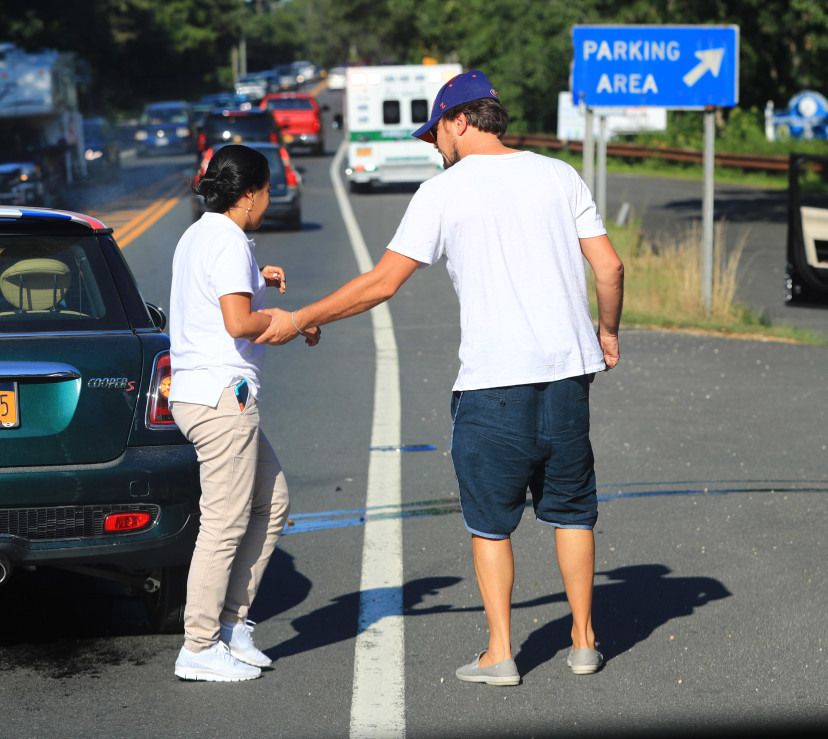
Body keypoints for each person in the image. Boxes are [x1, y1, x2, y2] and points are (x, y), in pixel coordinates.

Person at [256, 71, 624, 686]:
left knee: (490, 521)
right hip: (569, 377)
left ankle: (502, 653)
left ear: (458, 120)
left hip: (492, 386)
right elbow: (608, 266)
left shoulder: (444, 192)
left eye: (435, 134)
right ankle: (584, 642)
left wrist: (301, 317)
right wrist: (606, 331)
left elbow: (381, 283)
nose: (434, 147)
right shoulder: (559, 175)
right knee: (572, 513)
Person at [169, 144, 320, 682]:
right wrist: (290, 318)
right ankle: (199, 644)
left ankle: (232, 624)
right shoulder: (229, 242)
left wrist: (258, 278)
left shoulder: (202, 234)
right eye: (269, 189)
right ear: (250, 193)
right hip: (222, 399)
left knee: (271, 501)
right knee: (225, 522)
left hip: (196, 392)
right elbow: (237, 323)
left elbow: (220, 298)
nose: (271, 197)